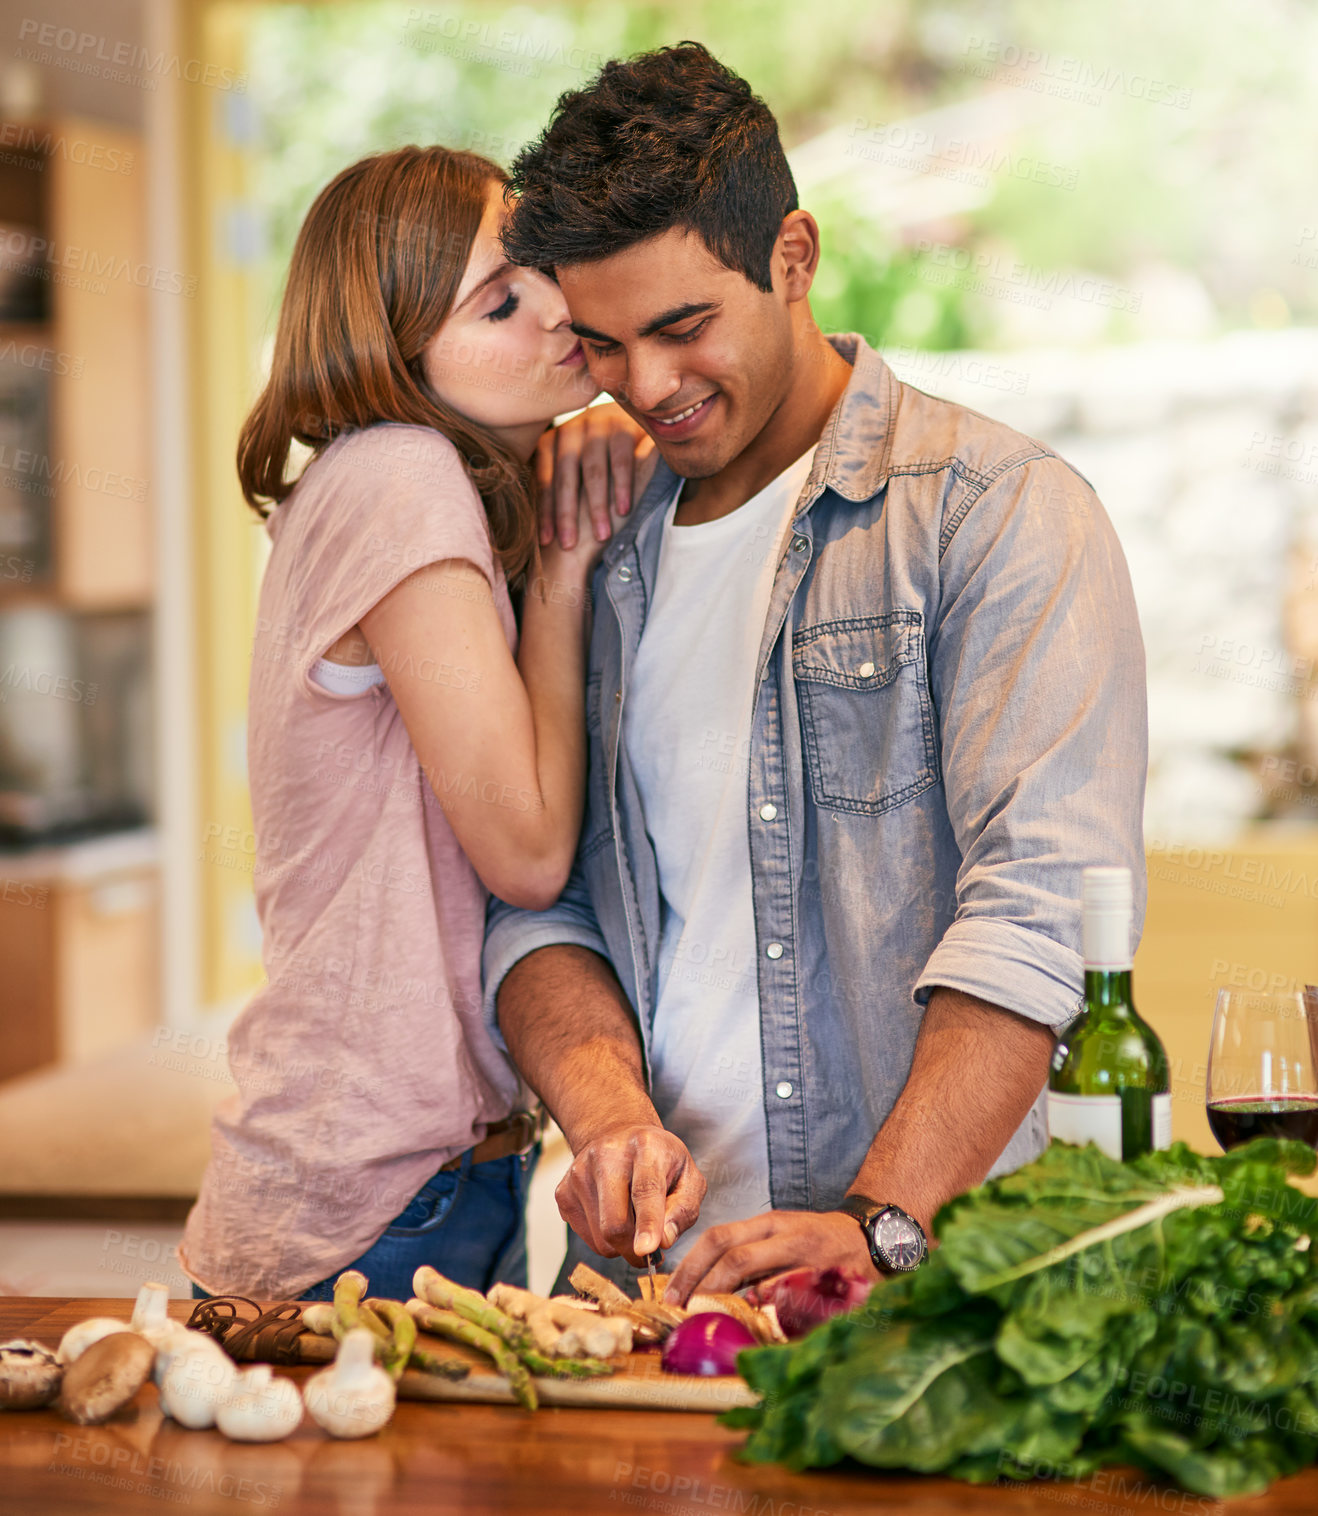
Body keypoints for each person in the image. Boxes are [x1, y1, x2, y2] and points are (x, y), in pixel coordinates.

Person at [484, 42, 1148, 1302]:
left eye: (683, 328)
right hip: (639, 1304)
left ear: (793, 256)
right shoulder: (585, 541)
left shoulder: (996, 517)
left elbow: (1039, 910)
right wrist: (607, 1113)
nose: (646, 388)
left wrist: (881, 1219)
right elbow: (534, 901)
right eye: (603, 345)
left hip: (924, 1293)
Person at [179, 144, 651, 1302]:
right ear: (396, 355)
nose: (554, 310)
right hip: (367, 1199)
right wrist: (563, 565)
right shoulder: (399, 475)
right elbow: (530, 853)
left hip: (443, 1175)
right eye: (497, 302)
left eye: (538, 267)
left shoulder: (388, 478)